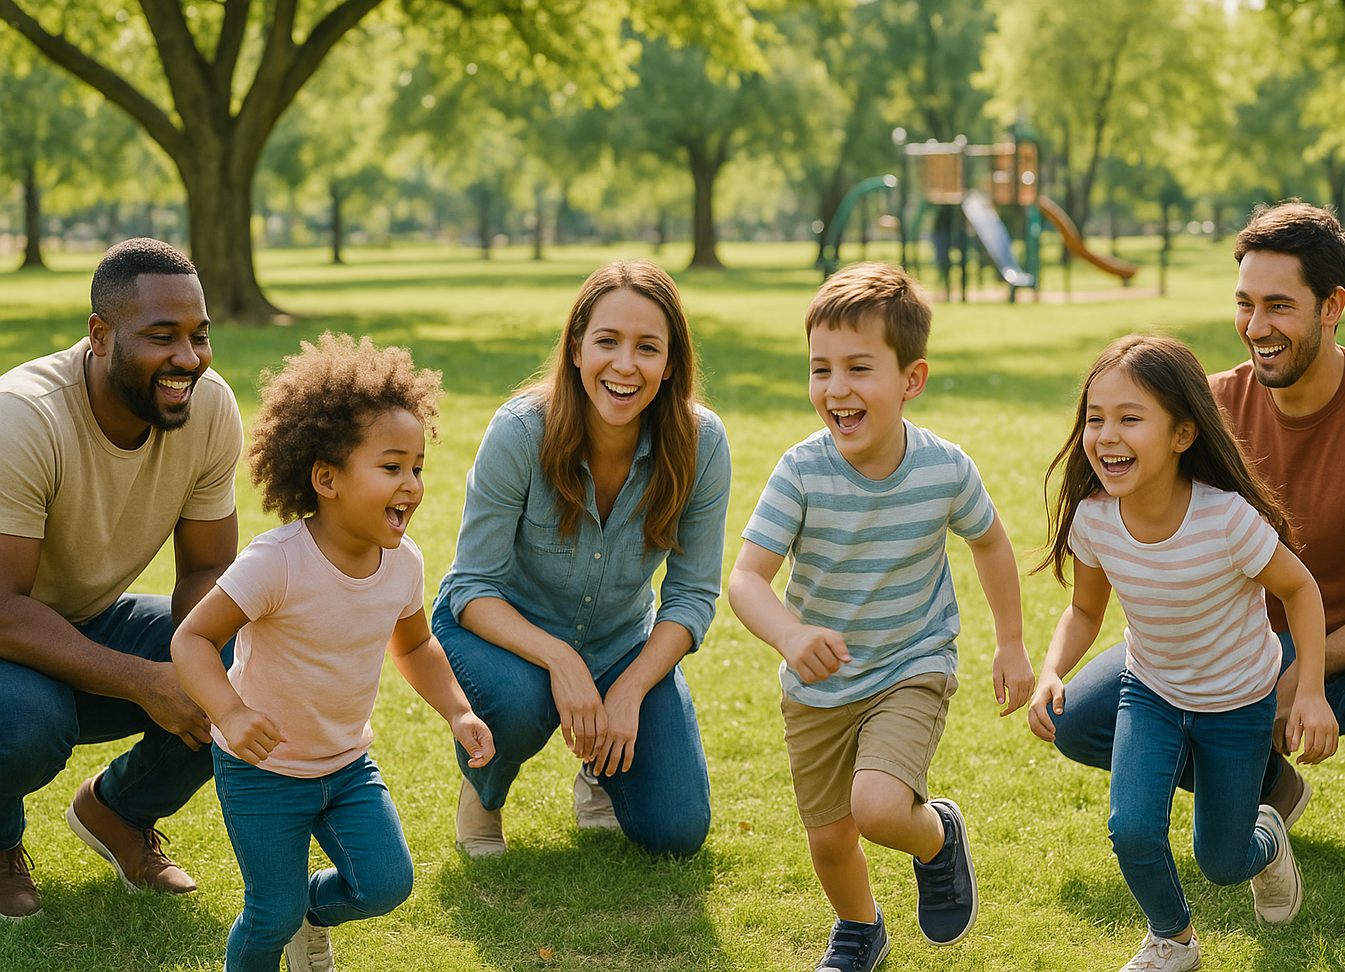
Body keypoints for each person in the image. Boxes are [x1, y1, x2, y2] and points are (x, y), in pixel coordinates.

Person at [1048, 202, 1345, 889]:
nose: (1255, 328)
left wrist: (1302, 681)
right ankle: (1264, 781)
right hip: (1229, 641)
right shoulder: (1208, 411)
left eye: (1278, 306)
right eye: (1245, 304)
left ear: (1332, 306)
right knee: (1082, 718)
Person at [729, 262, 1035, 972]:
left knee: (877, 806)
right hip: (818, 686)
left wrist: (1011, 643)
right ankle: (860, 928)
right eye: (820, 370)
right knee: (830, 837)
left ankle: (935, 838)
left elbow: (988, 540)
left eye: (859, 368)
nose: (836, 389)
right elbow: (746, 578)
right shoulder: (801, 471)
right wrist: (789, 632)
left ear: (911, 380)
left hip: (911, 665)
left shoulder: (944, 469)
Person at [170, 333, 494, 972]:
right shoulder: (276, 563)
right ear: (326, 478)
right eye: (391, 466)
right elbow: (192, 639)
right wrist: (230, 715)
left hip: (346, 766)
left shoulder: (403, 565)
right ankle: (285, 923)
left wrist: (458, 711)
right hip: (262, 772)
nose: (411, 484)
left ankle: (306, 918)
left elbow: (418, 644)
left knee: (385, 885)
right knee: (268, 916)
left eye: (417, 467)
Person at [1027, 335, 1338, 972]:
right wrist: (1052, 669)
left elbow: (1300, 590)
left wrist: (1307, 690)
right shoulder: (1094, 518)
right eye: (1095, 418)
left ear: (1182, 435)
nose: (1106, 435)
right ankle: (1173, 937)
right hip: (1153, 690)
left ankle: (1266, 839)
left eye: (1130, 419)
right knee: (1132, 827)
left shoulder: (1225, 520)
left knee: (1222, 860)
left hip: (1239, 702)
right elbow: (1087, 610)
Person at [434, 259, 730, 859]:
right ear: (575, 348)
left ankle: (599, 769)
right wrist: (560, 659)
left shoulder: (704, 444)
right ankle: (484, 789)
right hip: (503, 633)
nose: (625, 366)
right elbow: (471, 588)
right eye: (607, 342)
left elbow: (693, 595)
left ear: (670, 364)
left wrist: (630, 689)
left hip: (622, 642)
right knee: (522, 701)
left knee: (676, 832)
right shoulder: (519, 433)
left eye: (647, 348)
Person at [0, 239, 243, 921]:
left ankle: (118, 812)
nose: (188, 358)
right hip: (7, 630)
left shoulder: (209, 407)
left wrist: (201, 664)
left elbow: (207, 569)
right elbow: (2, 609)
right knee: (25, 724)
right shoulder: (23, 418)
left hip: (82, 619)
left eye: (199, 336)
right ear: (100, 336)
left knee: (238, 659)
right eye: (161, 336)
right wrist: (146, 681)